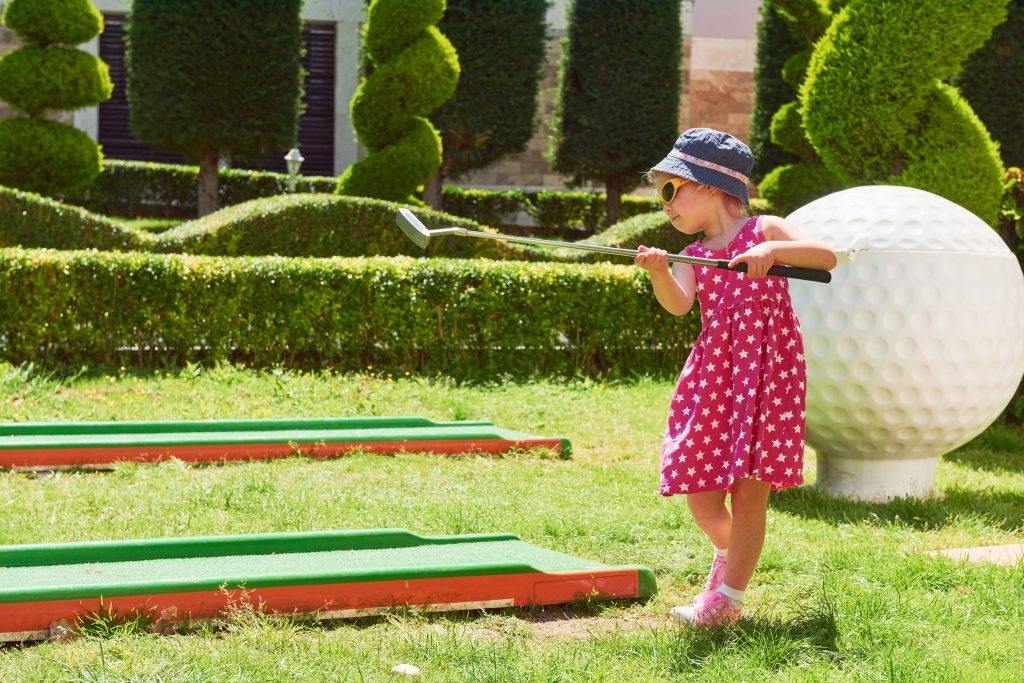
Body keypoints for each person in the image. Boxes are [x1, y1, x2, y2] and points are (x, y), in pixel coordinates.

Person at [634, 128, 837, 627]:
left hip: (766, 372)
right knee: (701, 495)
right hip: (715, 376)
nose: (666, 206)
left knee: (750, 489)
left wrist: (773, 255)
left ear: (708, 184)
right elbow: (681, 305)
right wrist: (661, 272)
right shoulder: (695, 253)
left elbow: (826, 256)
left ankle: (729, 599)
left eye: (669, 190)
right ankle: (733, 554)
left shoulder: (764, 229)